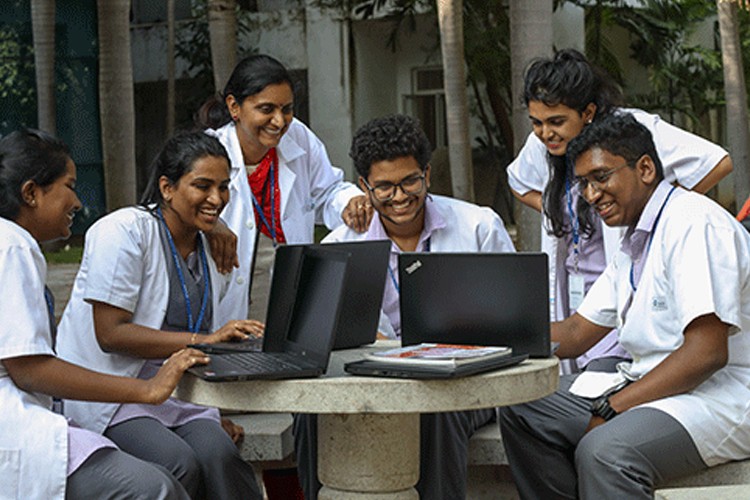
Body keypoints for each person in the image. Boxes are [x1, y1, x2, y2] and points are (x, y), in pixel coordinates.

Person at [499, 113, 750, 499]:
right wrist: (483, 335)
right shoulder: (635, 240)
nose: (591, 195)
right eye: (583, 183)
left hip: (721, 395)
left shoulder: (694, 224)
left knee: (606, 452)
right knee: (524, 407)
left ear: (646, 168)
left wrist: (612, 409)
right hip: (651, 383)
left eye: (601, 178)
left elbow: (706, 354)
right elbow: (576, 334)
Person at [294, 114, 516, 499]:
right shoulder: (339, 247)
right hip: (371, 379)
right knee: (309, 414)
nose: (399, 197)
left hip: (463, 381)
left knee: (435, 410)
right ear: (364, 186)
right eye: (384, 187)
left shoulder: (478, 226)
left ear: (427, 173)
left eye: (409, 181)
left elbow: (513, 313)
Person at [0, 129, 213, 499]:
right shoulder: (13, 246)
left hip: (35, 418)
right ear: (31, 193)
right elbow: (29, 367)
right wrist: (148, 389)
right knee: (156, 489)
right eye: (69, 186)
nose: (78, 202)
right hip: (16, 429)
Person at [56, 132, 263, 499]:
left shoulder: (212, 244)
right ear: (167, 188)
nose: (216, 199)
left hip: (180, 394)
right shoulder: (123, 232)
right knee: (178, 461)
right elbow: (110, 334)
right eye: (202, 186)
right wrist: (205, 340)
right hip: (117, 393)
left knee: (220, 455)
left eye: (224, 187)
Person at [506, 48, 732, 373]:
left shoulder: (628, 131)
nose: (545, 133)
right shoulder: (545, 144)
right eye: (537, 123)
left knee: (610, 377)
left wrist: (660, 209)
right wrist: (555, 208)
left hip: (620, 287)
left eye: (556, 122)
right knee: (569, 379)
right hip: (575, 296)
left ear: (588, 112)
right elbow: (518, 181)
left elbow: (716, 162)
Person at [198, 54, 370, 321]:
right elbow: (174, 211)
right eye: (266, 109)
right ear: (234, 107)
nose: (279, 121)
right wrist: (211, 225)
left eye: (287, 109)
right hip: (230, 289)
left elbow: (327, 191)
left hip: (287, 281)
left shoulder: (298, 136)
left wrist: (349, 200)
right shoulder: (205, 153)